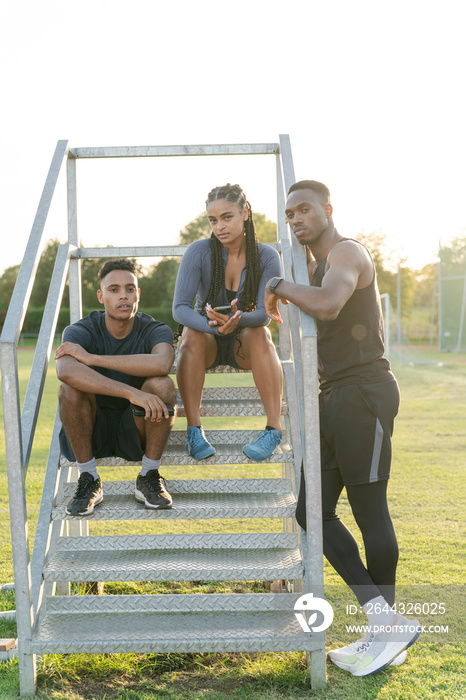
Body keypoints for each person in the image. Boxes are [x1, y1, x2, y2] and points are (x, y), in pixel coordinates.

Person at [264, 180, 420, 676]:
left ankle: (386, 627)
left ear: (327, 209)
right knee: (313, 513)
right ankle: (384, 621)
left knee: (370, 510)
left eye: (304, 210)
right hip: (331, 397)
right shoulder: (308, 267)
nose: (296, 219)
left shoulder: (347, 252)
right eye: (289, 214)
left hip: (364, 391)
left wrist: (277, 286)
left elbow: (329, 304)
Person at [55, 258, 176, 516]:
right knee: (69, 389)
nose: (124, 296)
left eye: (130, 289)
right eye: (114, 290)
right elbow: (65, 370)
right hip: (92, 426)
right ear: (101, 296)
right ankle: (89, 479)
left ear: (138, 293)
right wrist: (132, 392)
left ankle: (149, 475)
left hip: (134, 427)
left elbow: (163, 362)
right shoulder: (81, 330)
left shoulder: (155, 328)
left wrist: (92, 359)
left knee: (163, 385)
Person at [173, 183, 283, 462]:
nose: (219, 226)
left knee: (260, 334)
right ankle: (194, 431)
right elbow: (180, 308)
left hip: (243, 343)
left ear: (245, 213)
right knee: (191, 334)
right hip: (205, 340)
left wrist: (237, 320)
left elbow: (264, 312)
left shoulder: (267, 256)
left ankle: (273, 430)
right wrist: (211, 326)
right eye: (213, 220)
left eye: (227, 217)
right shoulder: (198, 252)